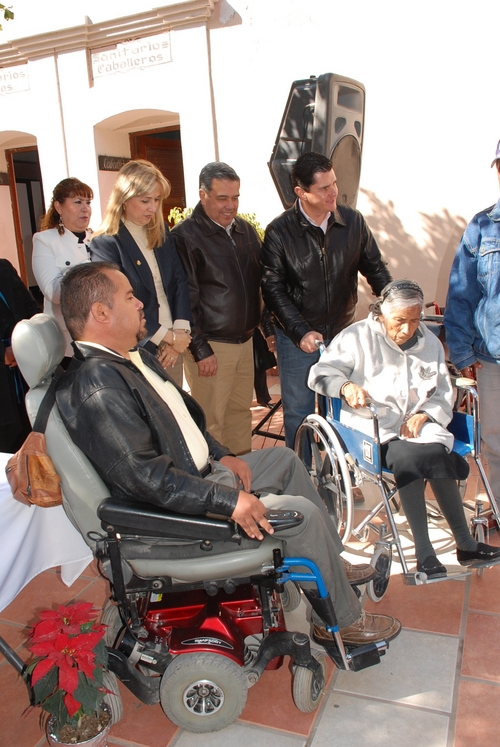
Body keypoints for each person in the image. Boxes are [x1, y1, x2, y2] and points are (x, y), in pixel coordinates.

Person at [55, 261, 402, 651]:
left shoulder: (132, 359)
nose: (140, 304)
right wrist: (228, 500)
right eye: (130, 296)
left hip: (199, 476)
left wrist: (223, 455)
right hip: (175, 516)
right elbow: (147, 480)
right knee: (299, 514)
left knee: (285, 461)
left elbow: (183, 423)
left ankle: (330, 564)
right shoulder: (100, 386)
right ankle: (340, 622)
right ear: (101, 313)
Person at [308, 279, 500, 577]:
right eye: (400, 320)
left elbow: (442, 392)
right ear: (381, 312)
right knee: (414, 458)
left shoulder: (429, 343)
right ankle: (425, 553)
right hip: (373, 428)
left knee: (434, 453)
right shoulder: (356, 337)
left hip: (419, 428)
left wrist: (425, 414)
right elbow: (320, 373)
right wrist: (345, 386)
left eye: (414, 320)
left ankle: (465, 545)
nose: (408, 329)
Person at [261, 151, 391, 449]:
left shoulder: (353, 222)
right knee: (300, 413)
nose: (333, 192)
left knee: (345, 411)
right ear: (301, 192)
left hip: (343, 335)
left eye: (334, 183)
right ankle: (302, 472)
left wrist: (393, 304)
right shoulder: (279, 232)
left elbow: (376, 269)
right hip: (297, 339)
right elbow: (273, 290)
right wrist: (300, 331)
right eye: (323, 188)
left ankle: (341, 470)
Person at [171, 162, 265, 455]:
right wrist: (200, 349)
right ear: (203, 195)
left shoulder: (245, 231)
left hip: (245, 341)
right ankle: (219, 481)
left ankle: (244, 475)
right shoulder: (184, 237)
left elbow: (260, 284)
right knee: (211, 423)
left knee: (240, 416)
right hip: (211, 347)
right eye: (222, 198)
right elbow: (184, 299)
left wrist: (268, 328)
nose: (231, 205)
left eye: (235, 197)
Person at [90, 160, 191, 387]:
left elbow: (179, 281)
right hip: (139, 345)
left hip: (173, 343)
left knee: (174, 407)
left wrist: (179, 334)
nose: (152, 208)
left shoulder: (161, 231)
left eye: (157, 200)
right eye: (145, 200)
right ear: (124, 199)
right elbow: (118, 302)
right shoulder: (106, 243)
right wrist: (168, 337)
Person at [444, 140, 500, 512]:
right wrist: (463, 353)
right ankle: (498, 506)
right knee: (494, 443)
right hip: (493, 358)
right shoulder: (482, 227)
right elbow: (461, 293)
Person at [32, 177, 93, 358]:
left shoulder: (98, 239)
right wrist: (90, 269)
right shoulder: (45, 240)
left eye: (88, 202)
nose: (85, 208)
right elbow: (53, 292)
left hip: (102, 333)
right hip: (67, 339)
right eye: (77, 202)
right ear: (59, 207)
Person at [0, 258, 40, 452]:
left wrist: (27, 342)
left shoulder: (4, 268)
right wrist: (3, 353)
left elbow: (33, 311)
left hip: (25, 377)